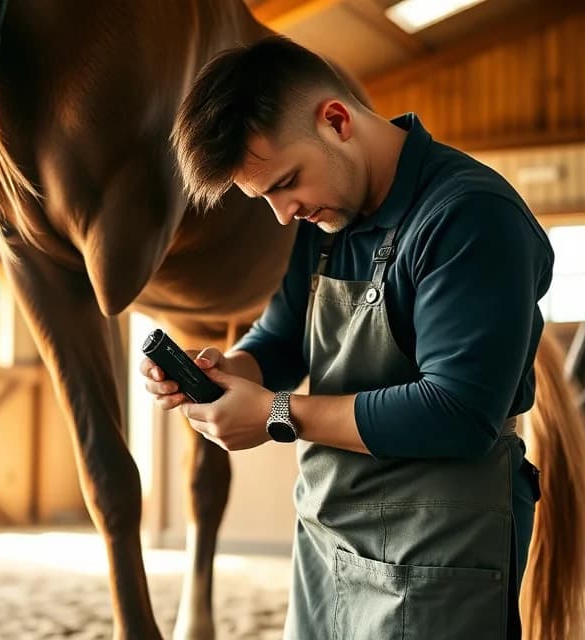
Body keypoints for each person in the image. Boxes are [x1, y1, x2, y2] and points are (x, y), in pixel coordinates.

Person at [143, 36, 551, 639]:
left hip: (439, 545)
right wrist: (230, 372)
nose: (283, 214)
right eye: (264, 200)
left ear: (336, 120)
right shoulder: (327, 217)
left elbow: (459, 412)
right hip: (328, 536)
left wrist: (277, 413)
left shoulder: (469, 216)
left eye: (286, 184)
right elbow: (282, 339)